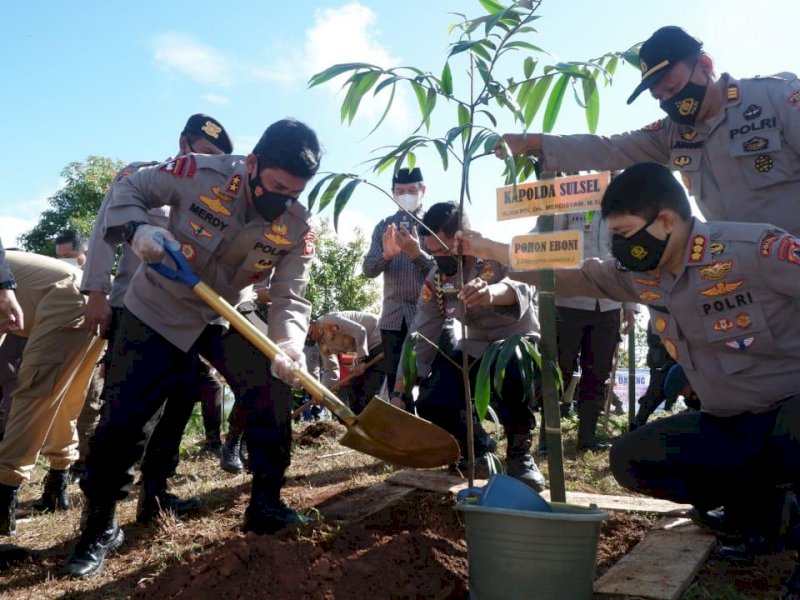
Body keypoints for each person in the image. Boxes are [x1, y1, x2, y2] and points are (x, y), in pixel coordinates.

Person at [459, 162, 800, 562]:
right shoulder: (641, 274)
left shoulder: (754, 250)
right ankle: (763, 512)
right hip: (729, 422)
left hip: (788, 410)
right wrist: (485, 248)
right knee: (634, 459)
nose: (618, 246)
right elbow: (567, 273)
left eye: (623, 234)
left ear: (666, 220)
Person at [65, 118, 321, 577]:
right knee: (126, 418)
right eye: (277, 187)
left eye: (294, 193)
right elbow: (129, 189)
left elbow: (290, 295)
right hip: (158, 304)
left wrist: (288, 343)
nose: (284, 200)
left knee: (271, 385)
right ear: (253, 164)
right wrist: (139, 230)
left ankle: (266, 500)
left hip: (224, 311)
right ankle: (100, 523)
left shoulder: (298, 226)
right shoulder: (199, 173)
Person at [497, 26, 800, 236]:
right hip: (745, 273)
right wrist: (532, 142)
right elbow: (610, 149)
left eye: (673, 88)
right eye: (660, 98)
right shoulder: (672, 134)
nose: (670, 101)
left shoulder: (775, 98)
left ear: (705, 66)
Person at [80, 114, 232, 496]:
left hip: (182, 314)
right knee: (126, 409)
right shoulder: (141, 176)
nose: (212, 161)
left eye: (219, 156)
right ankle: (104, 502)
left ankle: (156, 490)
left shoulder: (214, 194)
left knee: (181, 399)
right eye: (207, 151)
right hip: (132, 307)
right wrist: (96, 293)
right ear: (185, 144)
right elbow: (104, 233)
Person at [392, 202, 545, 491]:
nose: (437, 258)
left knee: (511, 370)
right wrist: (400, 390)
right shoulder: (437, 278)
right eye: (432, 252)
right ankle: (477, 450)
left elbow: (525, 283)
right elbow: (420, 333)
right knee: (432, 398)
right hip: (474, 346)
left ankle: (519, 458)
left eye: (441, 249)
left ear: (462, 238)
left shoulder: (493, 255)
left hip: (517, 343)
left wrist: (491, 294)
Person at [0, 251, 100, 536]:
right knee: (65, 399)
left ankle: (3, 497)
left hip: (67, 297)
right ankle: (57, 484)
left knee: (35, 391)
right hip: (88, 295)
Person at [539, 211, 636, 453]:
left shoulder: (624, 210)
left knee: (598, 374)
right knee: (559, 371)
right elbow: (549, 239)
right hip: (569, 300)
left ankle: (587, 438)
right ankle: (547, 439)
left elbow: (628, 260)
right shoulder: (572, 202)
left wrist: (630, 306)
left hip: (609, 303)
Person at [363, 168, 436, 397]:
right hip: (393, 319)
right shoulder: (385, 227)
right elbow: (368, 269)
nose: (406, 195)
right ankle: (404, 427)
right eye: (400, 191)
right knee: (396, 379)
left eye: (412, 190)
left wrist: (417, 254)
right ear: (393, 193)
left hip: (429, 316)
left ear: (422, 190)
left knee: (428, 380)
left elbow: (448, 269)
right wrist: (386, 256)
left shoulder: (434, 224)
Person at [308, 311, 387, 414]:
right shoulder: (322, 343)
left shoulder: (329, 320)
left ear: (309, 325)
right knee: (353, 393)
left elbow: (360, 331)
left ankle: (373, 426)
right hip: (361, 353)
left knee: (369, 394)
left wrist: (361, 360)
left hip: (377, 340)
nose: (308, 337)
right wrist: (320, 391)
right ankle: (359, 426)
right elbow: (331, 369)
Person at [632, 319, 677, 429]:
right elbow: (654, 340)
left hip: (689, 362)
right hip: (663, 363)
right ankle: (636, 428)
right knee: (653, 396)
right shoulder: (657, 316)